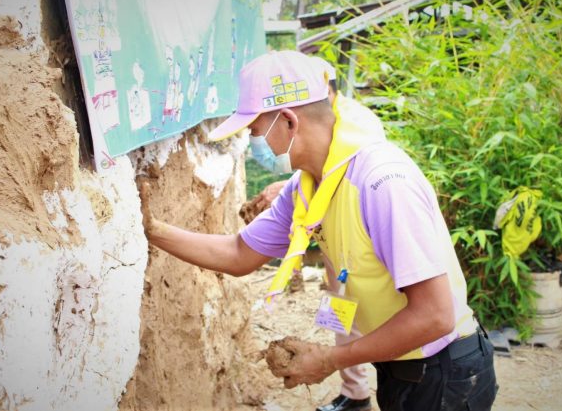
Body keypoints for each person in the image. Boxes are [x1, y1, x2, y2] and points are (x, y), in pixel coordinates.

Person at [140, 50, 497, 411]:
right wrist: (152, 230)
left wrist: (328, 359)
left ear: (290, 122)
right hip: (401, 368)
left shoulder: (382, 183)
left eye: (256, 131)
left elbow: (434, 315)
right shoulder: (305, 187)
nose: (254, 143)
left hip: (445, 375)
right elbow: (238, 253)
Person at [252, 56, 377, 411]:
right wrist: (291, 185)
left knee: (359, 311)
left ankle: (359, 388)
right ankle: (355, 393)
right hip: (335, 247)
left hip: (354, 246)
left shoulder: (353, 126)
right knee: (338, 310)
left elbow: (339, 170)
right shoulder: (336, 121)